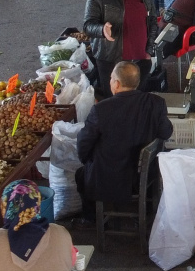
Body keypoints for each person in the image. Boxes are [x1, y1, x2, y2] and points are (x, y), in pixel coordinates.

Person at [73, 63, 173, 217]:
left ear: (117, 84)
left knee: (81, 175)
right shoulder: (156, 103)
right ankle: (145, 210)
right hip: (146, 175)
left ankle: (91, 219)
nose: (110, 82)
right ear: (137, 82)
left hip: (111, 178)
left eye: (111, 78)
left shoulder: (101, 110)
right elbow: (166, 132)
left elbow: (83, 144)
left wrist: (87, 161)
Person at [83, 0, 159, 98]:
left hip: (140, 60)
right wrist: (102, 30)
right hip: (110, 61)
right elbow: (88, 25)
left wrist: (148, 51)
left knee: (137, 100)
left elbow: (152, 22)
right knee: (112, 102)